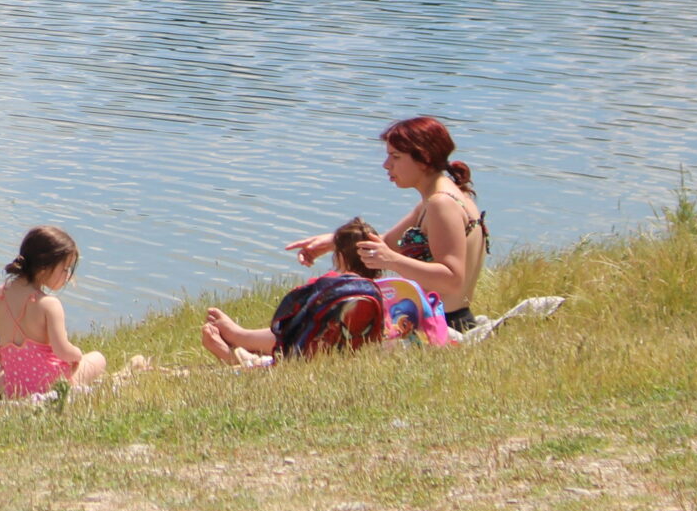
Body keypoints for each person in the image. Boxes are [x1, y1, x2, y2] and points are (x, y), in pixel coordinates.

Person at [287, 117, 488, 332]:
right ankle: (248, 339)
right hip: (442, 320)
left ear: (424, 158)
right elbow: (387, 242)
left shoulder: (442, 204)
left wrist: (392, 261)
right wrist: (334, 242)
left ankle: (247, 339)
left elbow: (452, 279)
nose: (386, 164)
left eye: (396, 157)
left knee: (318, 323)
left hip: (442, 327)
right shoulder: (438, 198)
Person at [204, 217, 378, 364]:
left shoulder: (328, 287)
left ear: (339, 256)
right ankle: (241, 343)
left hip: (302, 353)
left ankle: (239, 342)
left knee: (292, 331)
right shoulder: (379, 292)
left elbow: (290, 325)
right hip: (344, 355)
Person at [0, 226, 108, 394]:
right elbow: (62, 350)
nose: (67, 275)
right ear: (44, 268)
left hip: (16, 386)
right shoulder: (49, 304)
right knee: (98, 358)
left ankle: (16, 386)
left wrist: (7, 364)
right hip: (51, 386)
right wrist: (77, 354)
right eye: (64, 269)